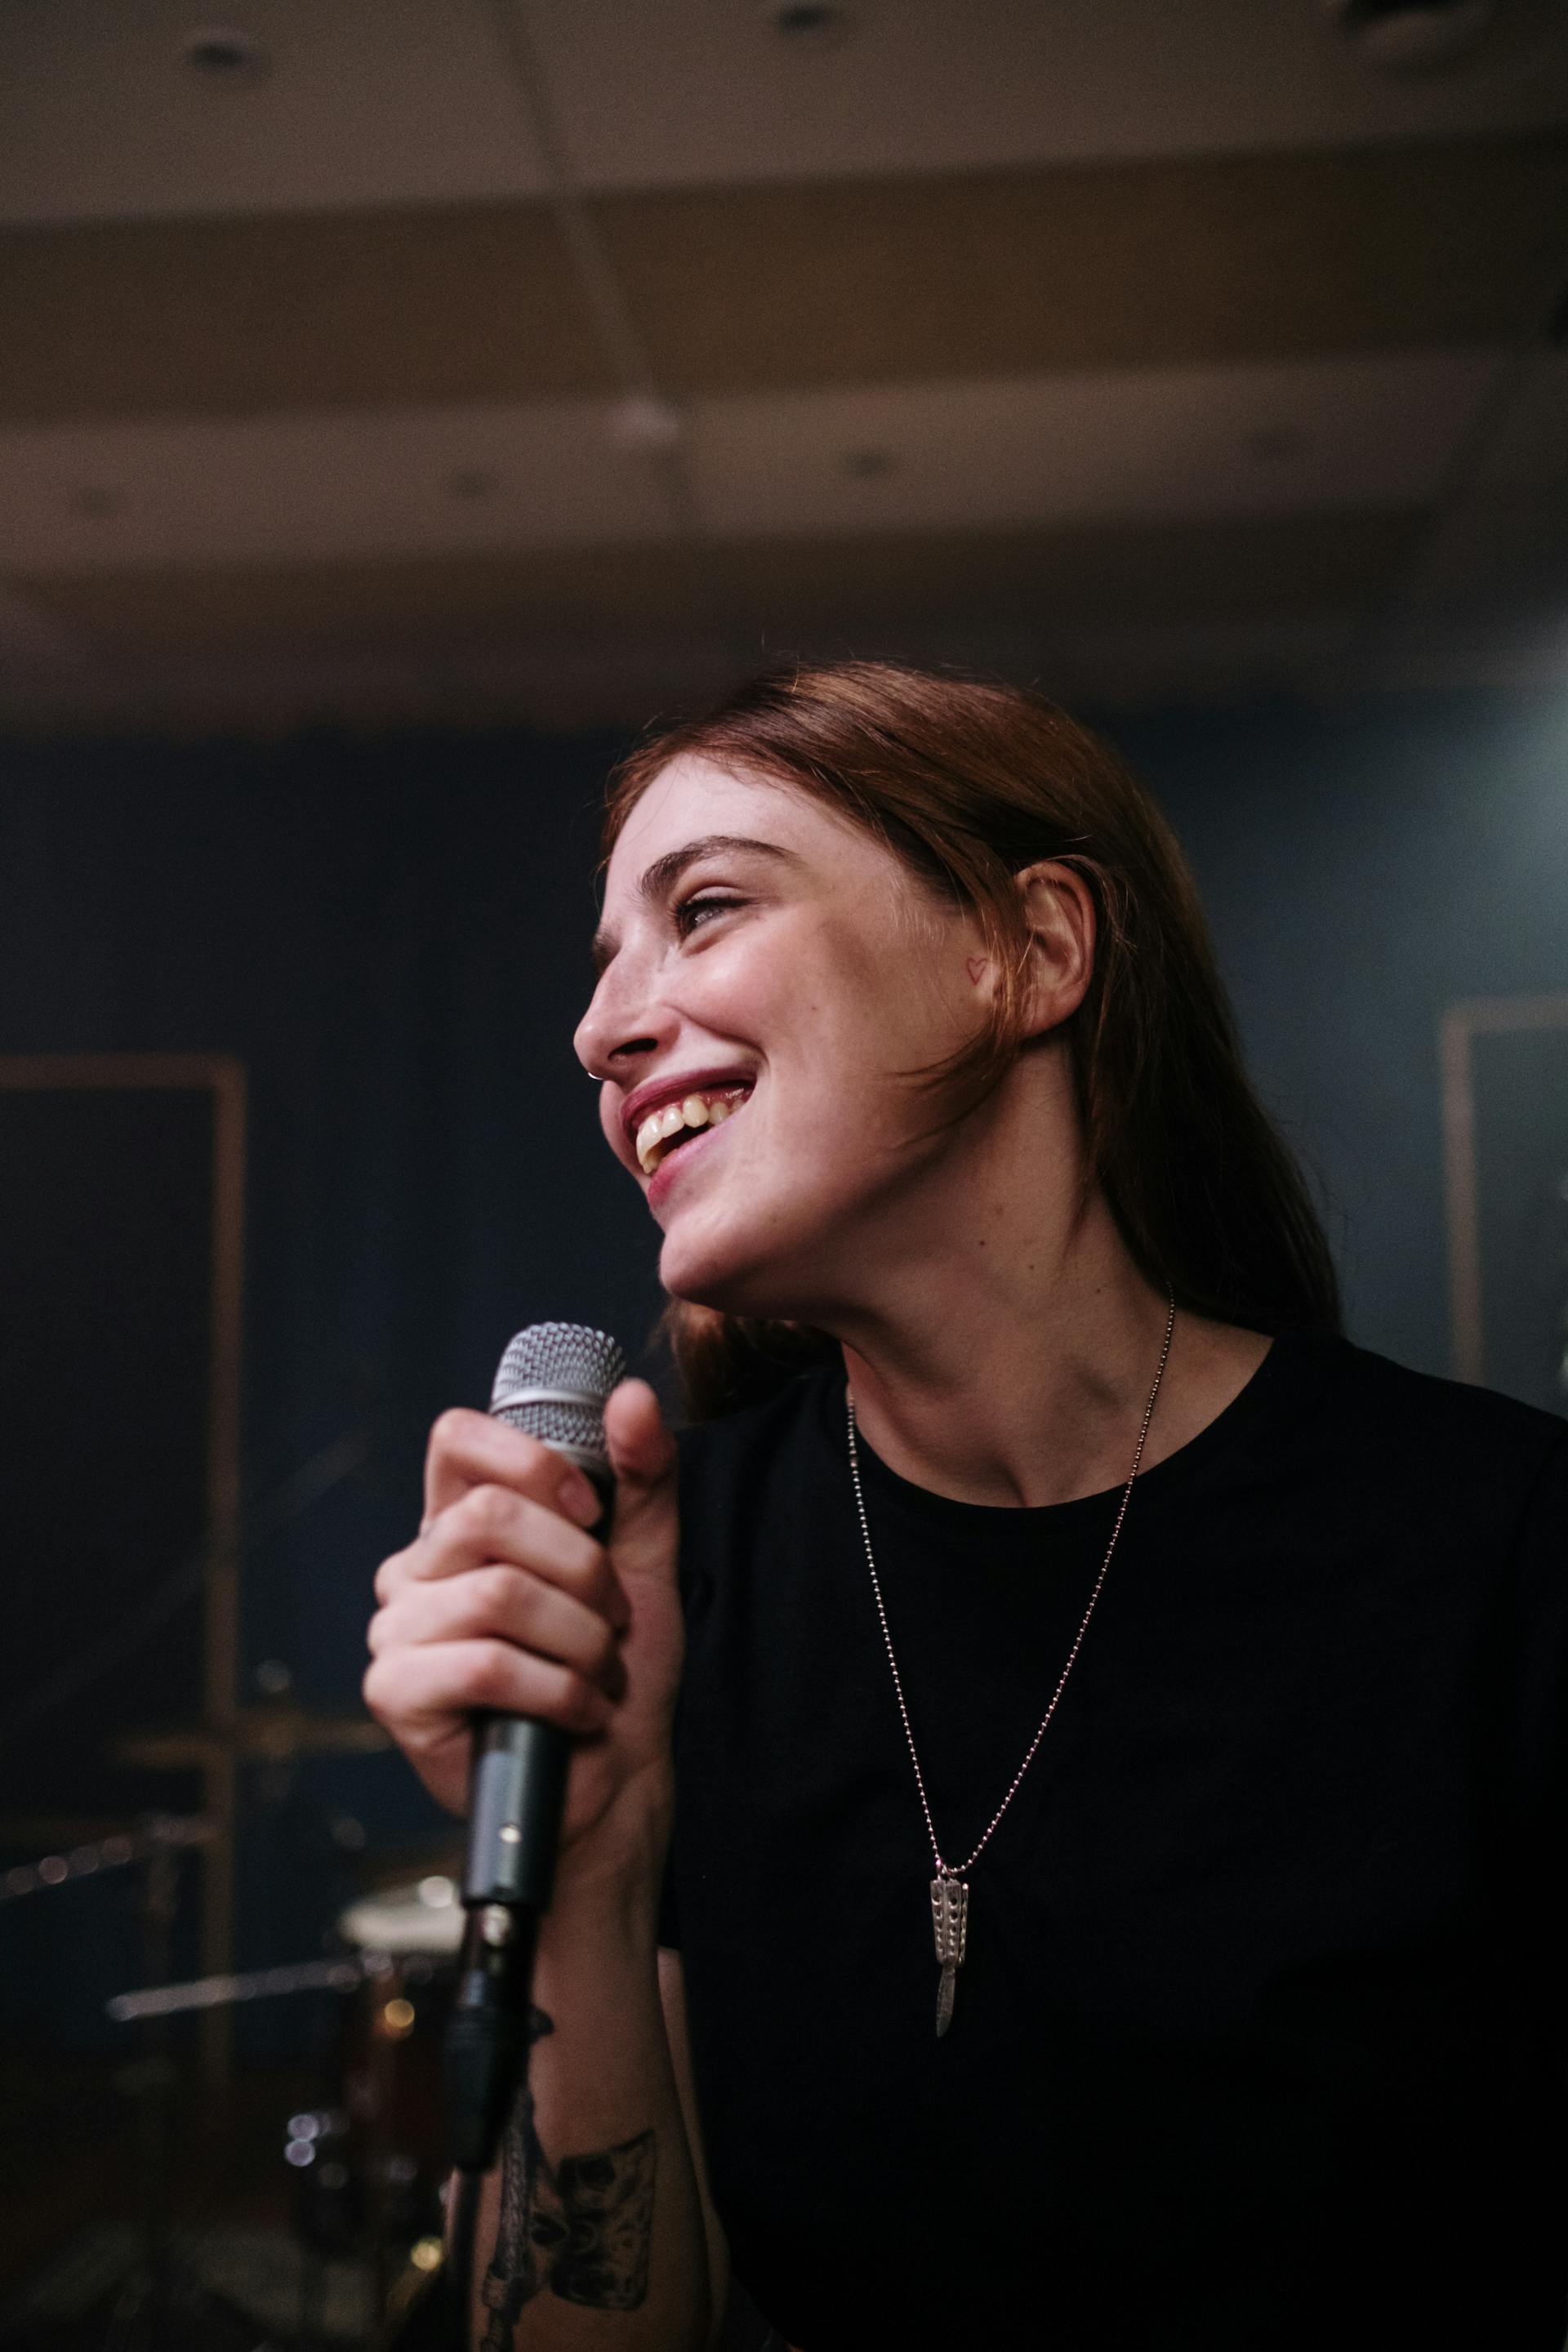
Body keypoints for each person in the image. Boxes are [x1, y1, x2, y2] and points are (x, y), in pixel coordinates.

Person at [364, 661, 1568, 2351]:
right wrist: (591, 1867)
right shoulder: (667, 1582)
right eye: (604, 965)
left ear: (1033, 951)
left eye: (704, 909)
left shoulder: (1496, 1546)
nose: (603, 1028)